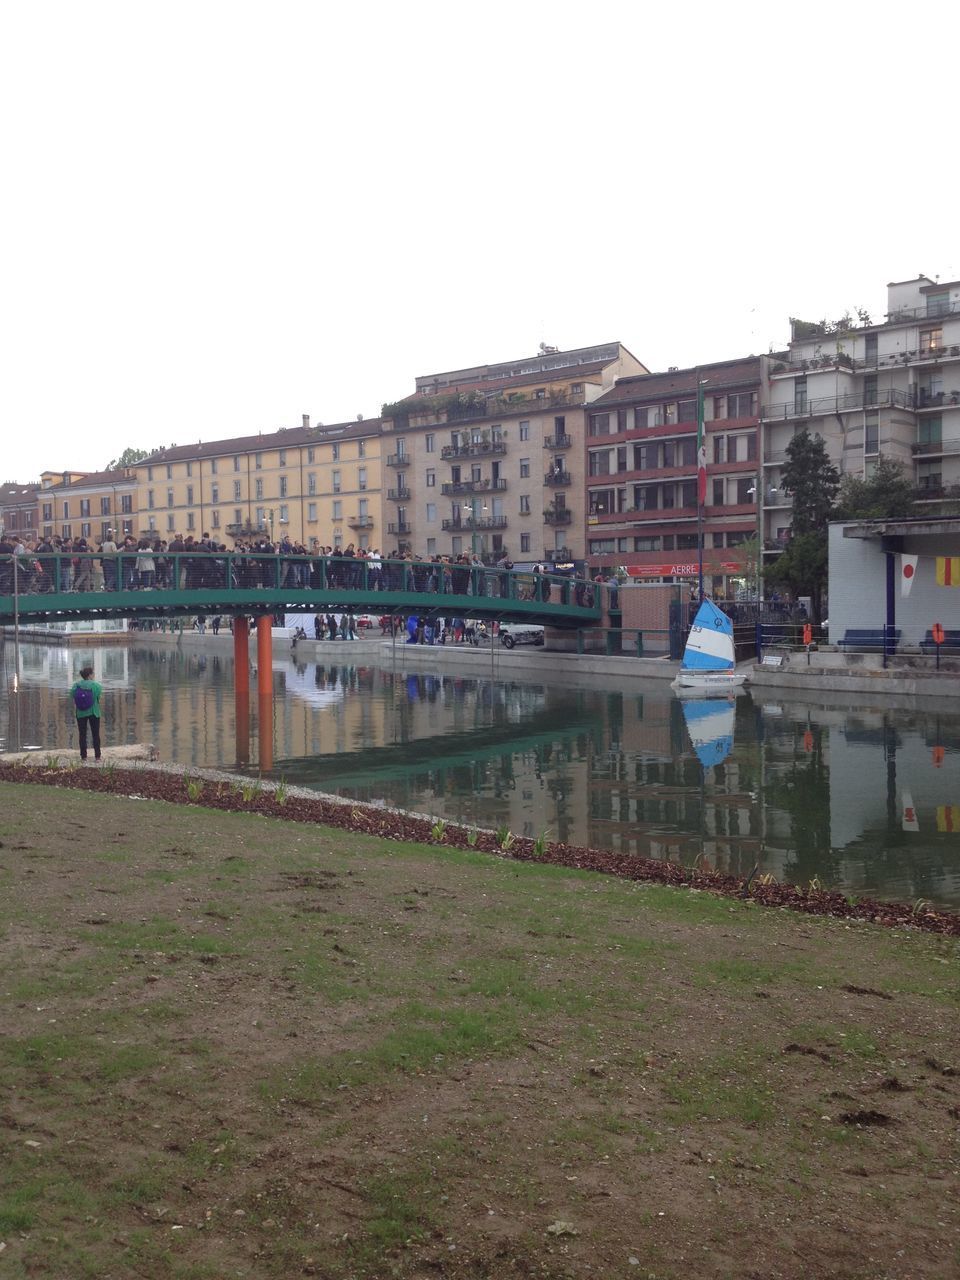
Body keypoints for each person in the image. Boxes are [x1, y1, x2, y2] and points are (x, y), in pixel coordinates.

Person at [70, 664, 103, 761]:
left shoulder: (76, 685)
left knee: (82, 734)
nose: (93, 676)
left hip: (80, 713)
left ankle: (83, 756)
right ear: (90, 675)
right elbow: (98, 697)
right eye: (93, 674)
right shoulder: (96, 685)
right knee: (95, 734)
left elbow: (72, 695)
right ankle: (97, 756)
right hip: (94, 712)